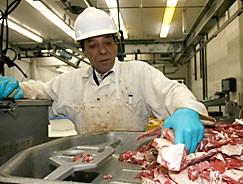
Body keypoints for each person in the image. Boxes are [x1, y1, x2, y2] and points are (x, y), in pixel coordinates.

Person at [0, 7, 214, 153]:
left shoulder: (139, 73)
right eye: (92, 45)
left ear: (115, 44)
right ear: (83, 50)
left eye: (108, 43)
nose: (102, 51)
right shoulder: (70, 83)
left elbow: (172, 92)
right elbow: (43, 93)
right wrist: (19, 88)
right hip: (87, 165)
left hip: (134, 162)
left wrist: (186, 110)